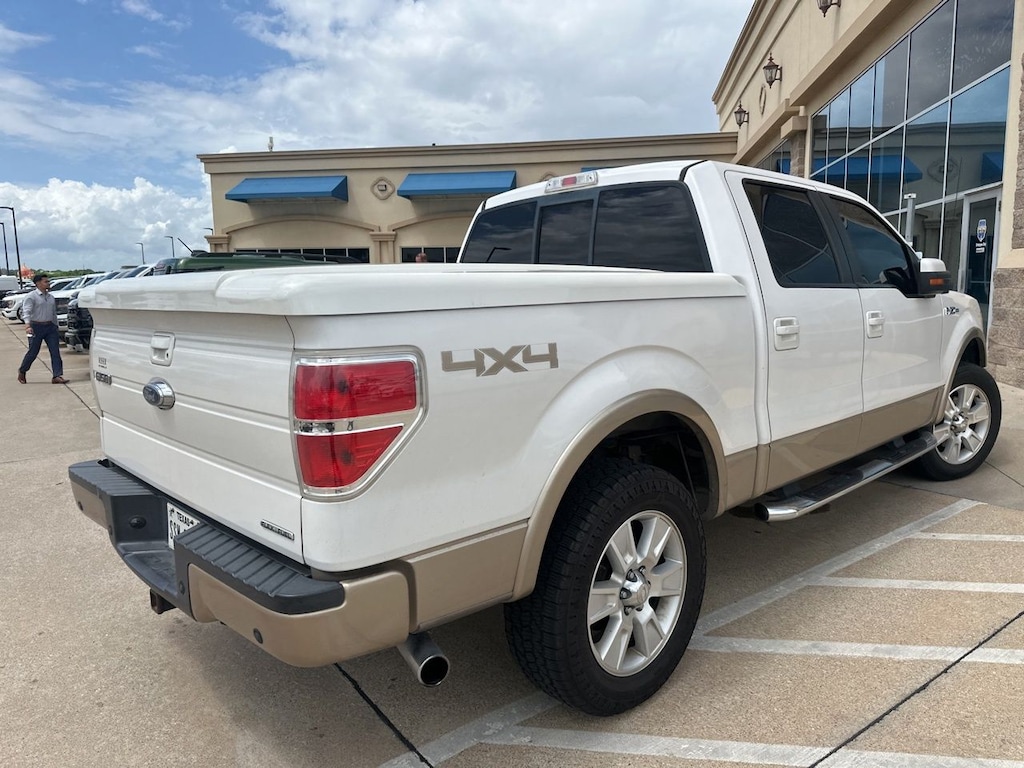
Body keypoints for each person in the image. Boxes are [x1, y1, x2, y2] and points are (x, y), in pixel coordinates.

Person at [17, 273, 68, 385]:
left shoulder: (50, 297)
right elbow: (27, 312)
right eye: (46, 282)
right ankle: (22, 370)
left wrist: (56, 326)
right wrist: (27, 326)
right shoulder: (31, 296)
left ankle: (57, 375)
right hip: (36, 327)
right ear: (38, 283)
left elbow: (53, 313)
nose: (48, 283)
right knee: (33, 352)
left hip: (50, 327)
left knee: (55, 352)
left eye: (48, 281)